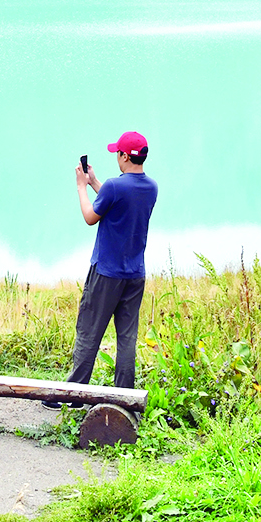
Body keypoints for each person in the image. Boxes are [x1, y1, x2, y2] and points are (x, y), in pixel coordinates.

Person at [63, 129, 158, 396]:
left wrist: (82, 186)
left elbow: (91, 216)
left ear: (125, 156)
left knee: (89, 333)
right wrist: (95, 182)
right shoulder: (151, 188)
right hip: (135, 275)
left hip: (105, 274)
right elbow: (118, 199)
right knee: (126, 338)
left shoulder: (116, 187)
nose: (116, 157)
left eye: (117, 153)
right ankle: (124, 398)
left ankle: (72, 395)